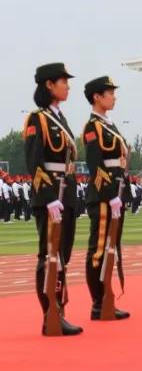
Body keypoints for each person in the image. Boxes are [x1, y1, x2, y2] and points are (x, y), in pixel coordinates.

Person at [25, 63, 82, 336]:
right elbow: (34, 162)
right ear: (49, 85)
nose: (67, 86)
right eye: (63, 81)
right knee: (49, 255)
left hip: (66, 192)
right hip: (51, 195)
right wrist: (48, 198)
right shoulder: (37, 119)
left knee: (62, 256)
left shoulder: (59, 118)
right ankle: (51, 313)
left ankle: (59, 311)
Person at [82, 76, 132, 320]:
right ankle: (98, 302)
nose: (114, 97)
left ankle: (107, 298)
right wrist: (111, 194)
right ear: (97, 97)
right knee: (99, 249)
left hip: (116, 192)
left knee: (111, 248)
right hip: (104, 195)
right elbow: (95, 164)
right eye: (110, 93)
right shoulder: (93, 127)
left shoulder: (109, 125)